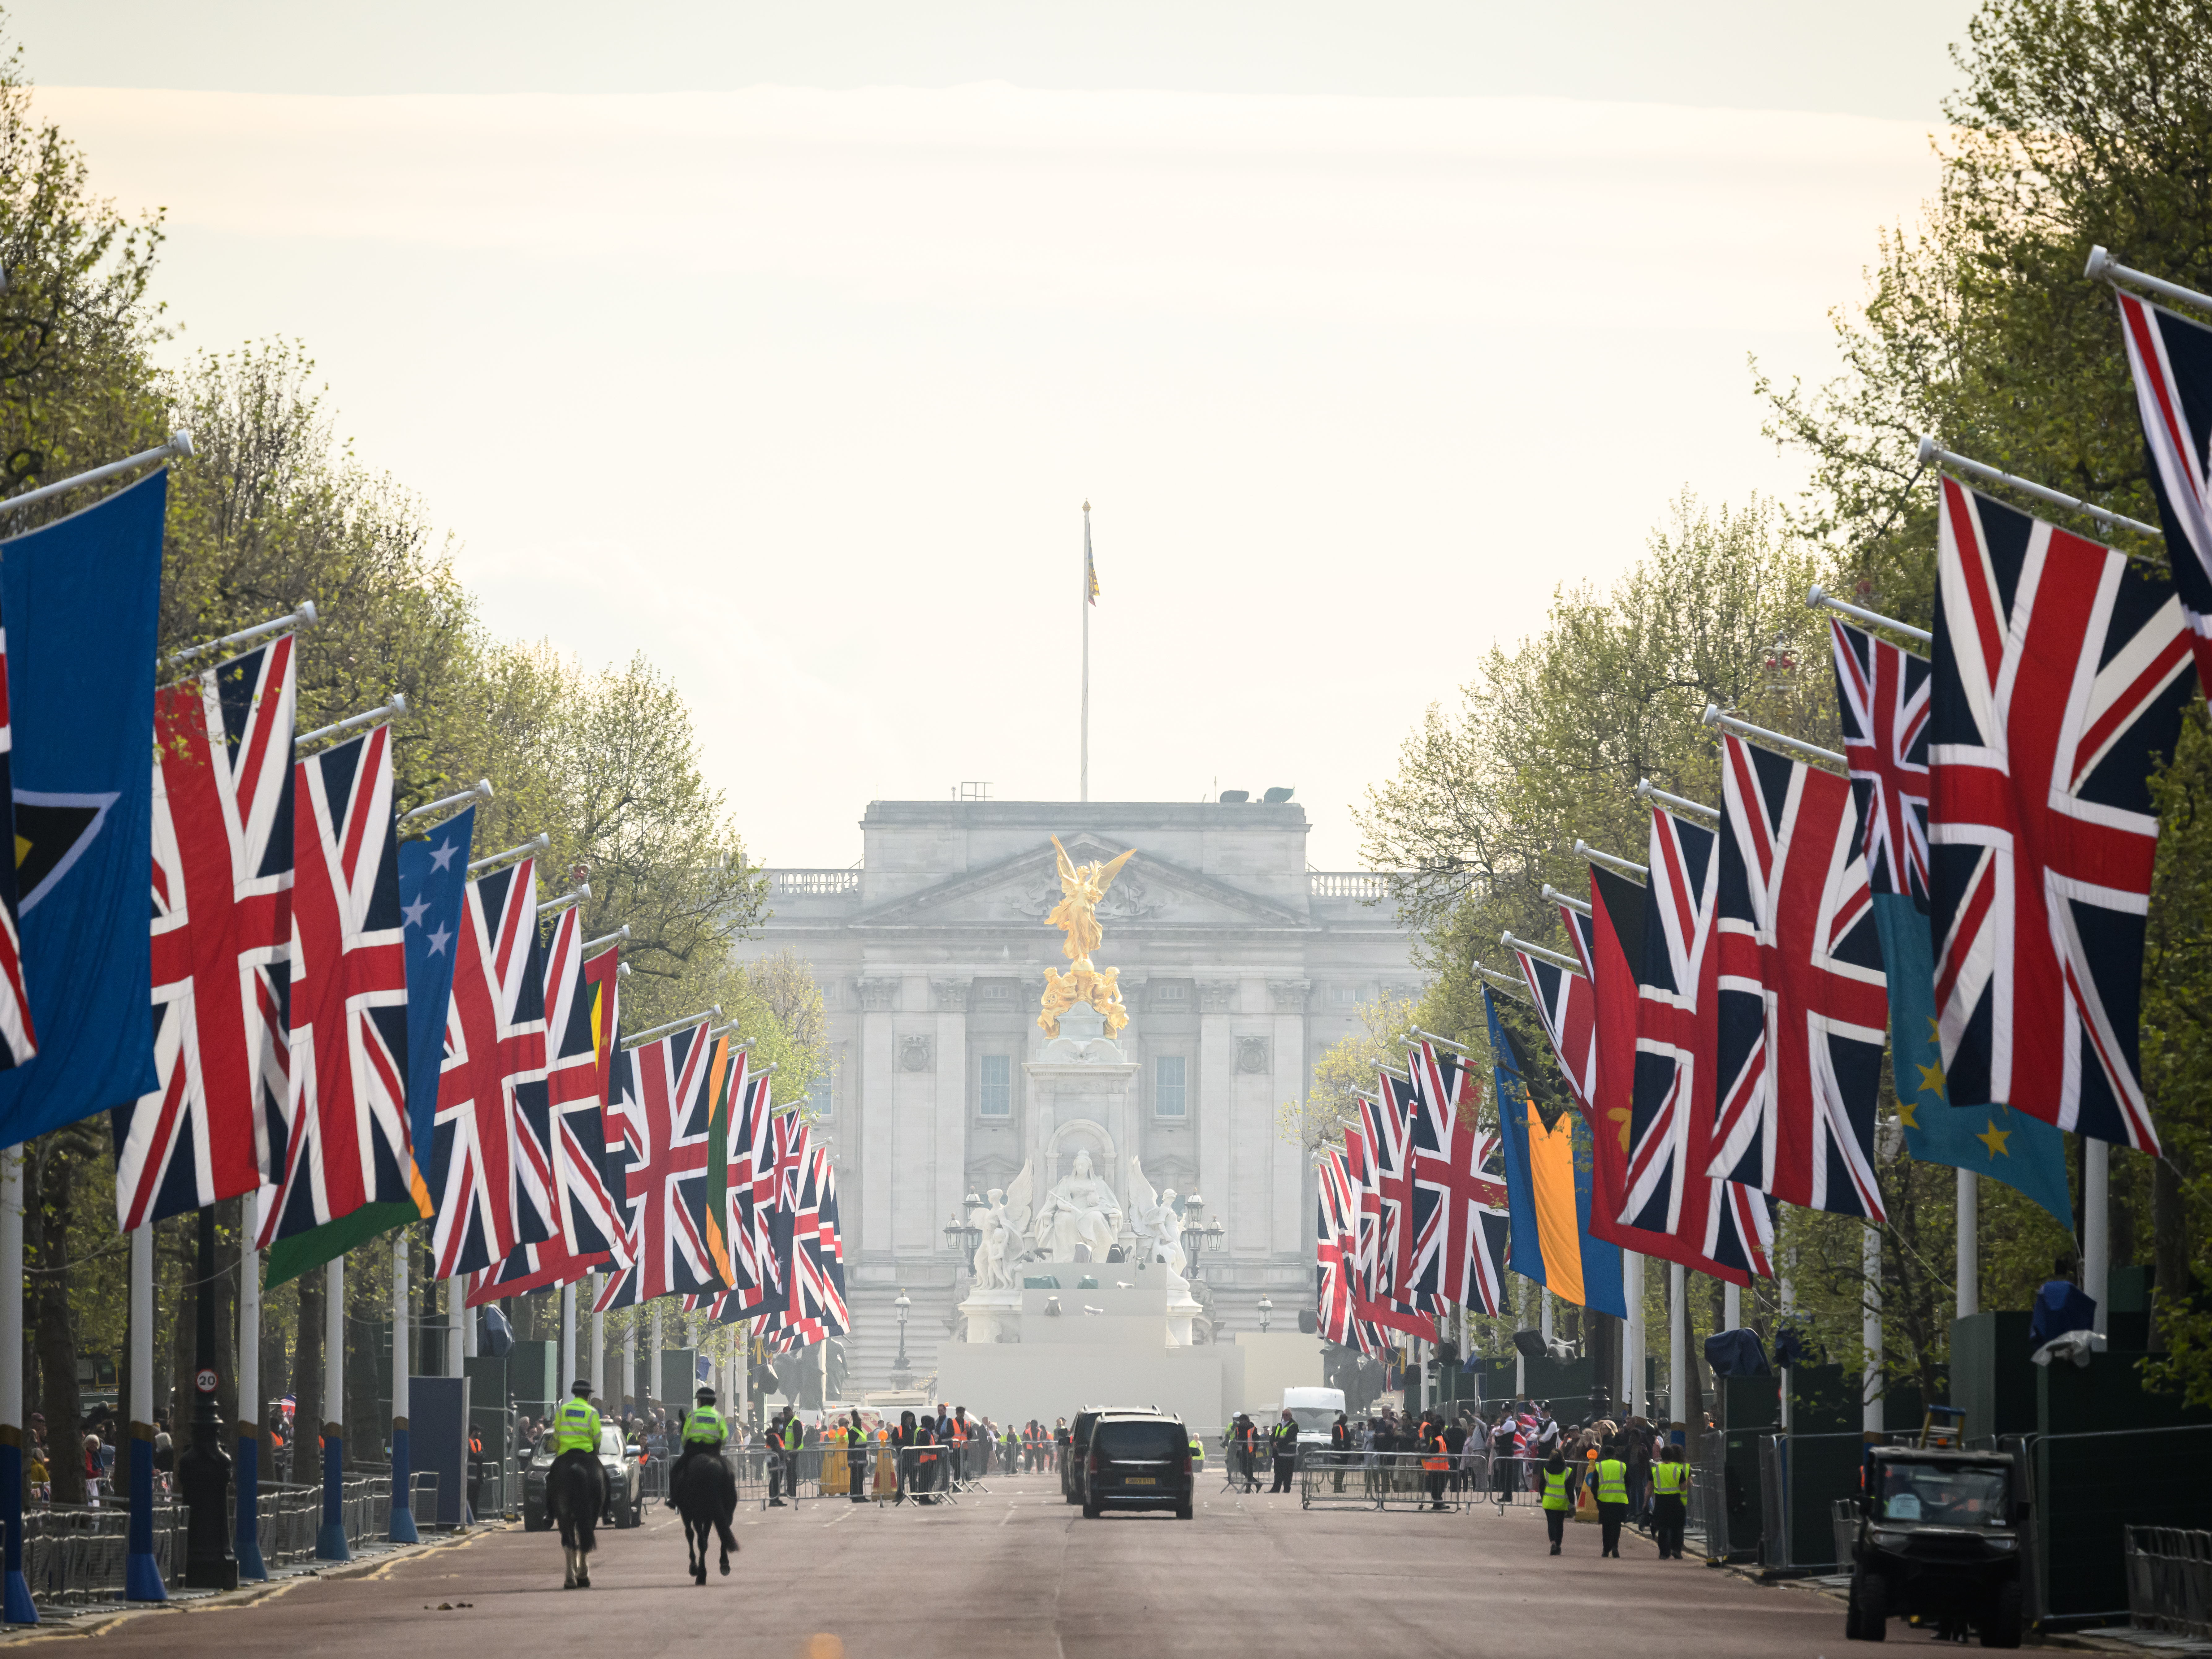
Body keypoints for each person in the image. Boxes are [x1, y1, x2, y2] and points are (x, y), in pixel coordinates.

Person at [1650, 1444, 1690, 1559]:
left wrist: (1645, 1505)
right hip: (1676, 1502)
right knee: (1677, 1527)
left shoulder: (1655, 1469)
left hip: (1661, 1503)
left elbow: (1648, 1490)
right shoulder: (1678, 1470)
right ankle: (1677, 1550)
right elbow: (1683, 1488)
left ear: (1661, 1456)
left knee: (1663, 1527)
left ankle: (1664, 1553)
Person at [1592, 1437, 1630, 1557]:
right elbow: (1629, 1483)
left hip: (1604, 1501)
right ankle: (1615, 1547)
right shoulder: (1622, 1466)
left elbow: (1594, 1486)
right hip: (1619, 1500)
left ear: (1604, 1454)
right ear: (1614, 1454)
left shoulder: (1599, 1467)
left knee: (1606, 1526)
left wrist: (1596, 1498)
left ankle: (1606, 1550)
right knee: (1617, 1525)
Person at [1539, 1448, 1574, 1553]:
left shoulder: (1545, 1470)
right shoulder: (1568, 1471)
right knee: (1560, 1524)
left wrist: (1543, 1497)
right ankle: (1558, 1546)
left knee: (1551, 1523)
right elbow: (1570, 1490)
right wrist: (1572, 1503)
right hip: (1562, 1503)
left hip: (1549, 1501)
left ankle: (1553, 1542)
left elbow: (1541, 1487)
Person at [1421, 1416, 1452, 1510]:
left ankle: (1438, 1504)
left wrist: (1422, 1455)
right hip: (1441, 1469)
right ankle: (1439, 1504)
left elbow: (1431, 1454)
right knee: (1438, 1488)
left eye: (1432, 1431)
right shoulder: (1440, 1439)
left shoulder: (1437, 1441)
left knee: (1435, 1488)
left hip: (1436, 1469)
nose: (1430, 1433)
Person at [1270, 1409, 1298, 1494]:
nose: (1285, 1416)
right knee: (1278, 1473)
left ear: (1291, 1416)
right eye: (1284, 1415)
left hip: (1289, 1455)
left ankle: (1287, 1490)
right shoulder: (1279, 1425)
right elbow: (1273, 1437)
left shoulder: (1294, 1426)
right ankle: (1276, 1489)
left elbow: (1289, 1438)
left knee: (1288, 1473)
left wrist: (1278, 1444)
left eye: (1287, 1415)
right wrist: (1273, 1443)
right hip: (1279, 1454)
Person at [1329, 1411, 1351, 1494]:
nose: (1345, 1421)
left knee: (1341, 1472)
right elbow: (1338, 1442)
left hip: (1343, 1453)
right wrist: (1343, 1453)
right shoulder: (1338, 1428)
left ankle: (1339, 1487)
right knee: (1339, 1472)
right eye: (1344, 1419)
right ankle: (1337, 1488)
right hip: (1340, 1454)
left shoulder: (1342, 1427)